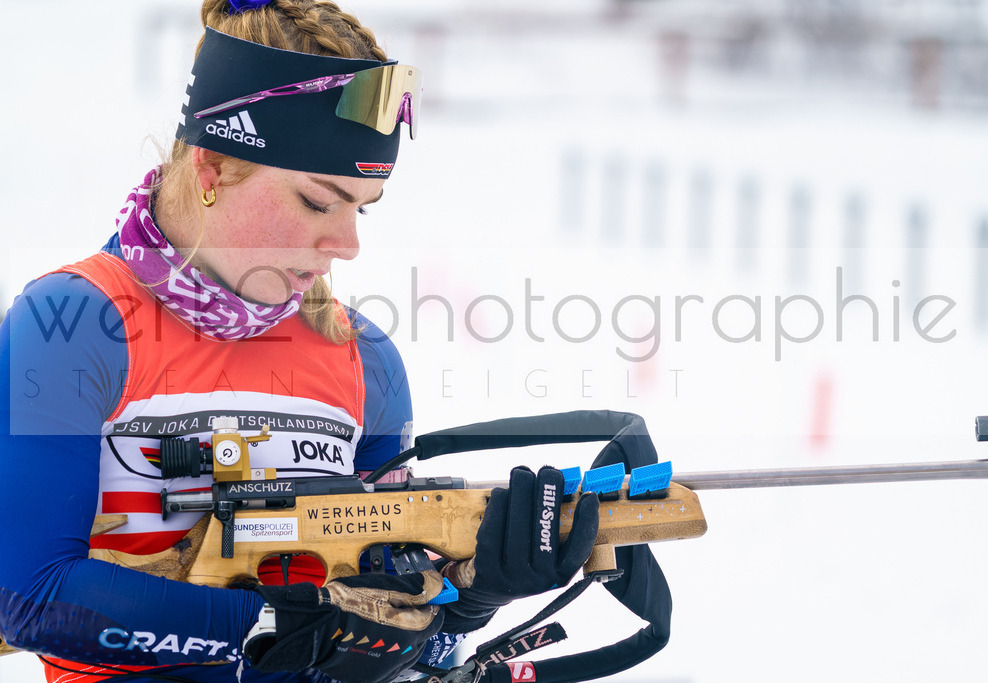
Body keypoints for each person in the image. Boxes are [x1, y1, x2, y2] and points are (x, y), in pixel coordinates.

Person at [0, 1, 599, 682]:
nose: (346, 244)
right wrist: (267, 625)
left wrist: (471, 595)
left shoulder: (366, 361)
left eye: (360, 207)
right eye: (318, 201)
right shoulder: (75, 324)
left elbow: (400, 652)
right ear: (212, 168)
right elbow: (29, 595)